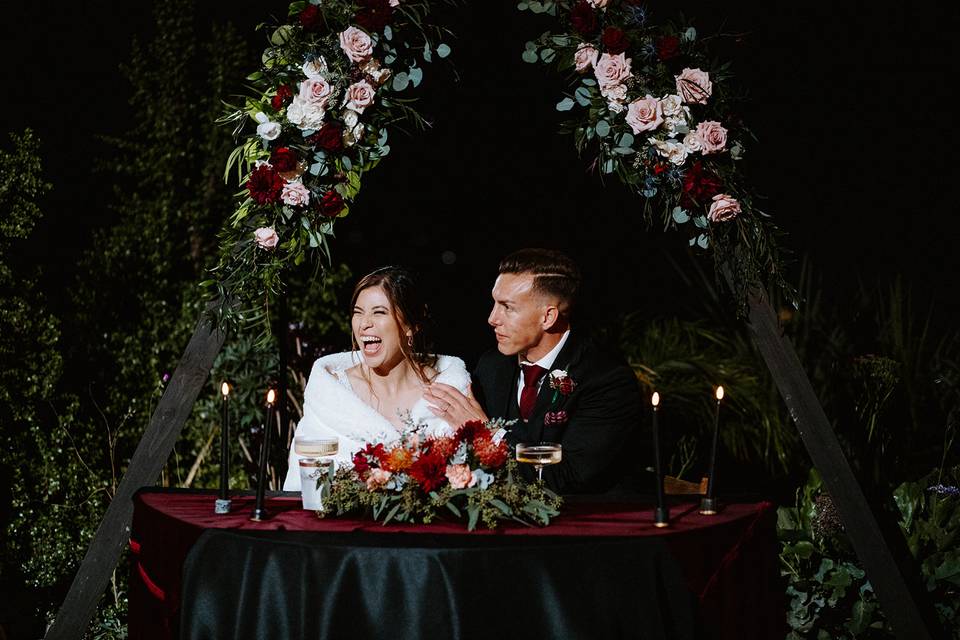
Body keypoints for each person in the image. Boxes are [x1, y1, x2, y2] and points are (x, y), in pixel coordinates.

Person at [424, 248, 643, 494]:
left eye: (507, 307)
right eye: (495, 303)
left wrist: (487, 434)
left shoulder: (607, 381)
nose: (492, 318)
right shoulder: (492, 366)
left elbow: (568, 478)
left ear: (548, 317)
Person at [283, 267, 470, 491]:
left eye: (379, 312)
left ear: (411, 325)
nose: (364, 324)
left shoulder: (448, 392)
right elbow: (301, 486)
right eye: (358, 312)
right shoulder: (330, 396)